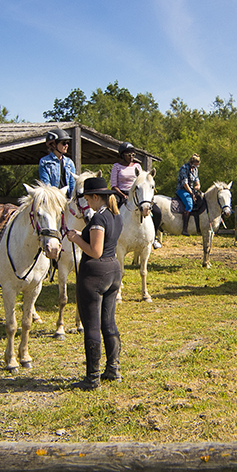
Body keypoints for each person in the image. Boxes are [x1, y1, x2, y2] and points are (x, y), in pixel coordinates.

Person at [63, 178, 125, 389]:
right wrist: (82, 234)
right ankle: (113, 369)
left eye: (88, 198)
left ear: (96, 197)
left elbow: (95, 251)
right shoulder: (116, 216)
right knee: (109, 322)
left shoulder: (98, 219)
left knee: (92, 326)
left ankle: (92, 378)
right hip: (113, 270)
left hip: (95, 273)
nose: (87, 202)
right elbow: (105, 242)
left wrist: (76, 240)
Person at [109, 143, 160, 246]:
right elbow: (113, 185)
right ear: (122, 155)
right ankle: (111, 236)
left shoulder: (137, 166)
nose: (131, 157)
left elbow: (142, 180)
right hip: (121, 193)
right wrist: (123, 196)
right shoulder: (116, 167)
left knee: (157, 212)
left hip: (137, 193)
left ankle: (153, 238)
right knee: (112, 211)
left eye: (133, 155)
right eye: (129, 155)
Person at [36, 130, 77, 200]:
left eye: (67, 143)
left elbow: (72, 184)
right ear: (53, 145)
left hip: (67, 200)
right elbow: (46, 184)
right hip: (52, 199)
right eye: (64, 143)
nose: (66, 145)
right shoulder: (44, 162)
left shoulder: (70, 163)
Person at [175, 153, 202, 217]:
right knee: (189, 204)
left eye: (197, 166)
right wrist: (191, 193)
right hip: (182, 190)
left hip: (191, 190)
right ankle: (185, 225)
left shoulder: (195, 170)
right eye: (194, 165)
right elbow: (185, 183)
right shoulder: (184, 168)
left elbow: (196, 179)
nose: (195, 167)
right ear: (191, 162)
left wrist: (198, 186)